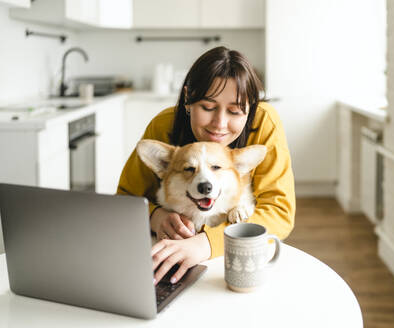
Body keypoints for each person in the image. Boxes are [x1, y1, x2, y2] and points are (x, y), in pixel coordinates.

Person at [117, 46, 295, 285]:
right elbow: (125, 198)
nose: (219, 124)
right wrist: (156, 217)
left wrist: (208, 243)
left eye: (235, 111)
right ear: (189, 99)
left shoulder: (264, 123)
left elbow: (279, 211)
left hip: (238, 258)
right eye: (208, 107)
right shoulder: (163, 126)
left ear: (251, 107)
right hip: (166, 253)